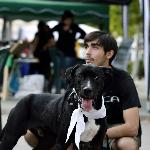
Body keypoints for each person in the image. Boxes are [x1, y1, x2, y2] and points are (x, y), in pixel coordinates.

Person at [84, 31, 141, 150]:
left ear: (109, 54)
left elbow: (132, 127)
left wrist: (98, 135)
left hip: (114, 132)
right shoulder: (78, 76)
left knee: (127, 144)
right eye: (86, 46)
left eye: (94, 47)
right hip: (87, 130)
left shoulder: (122, 78)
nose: (87, 52)